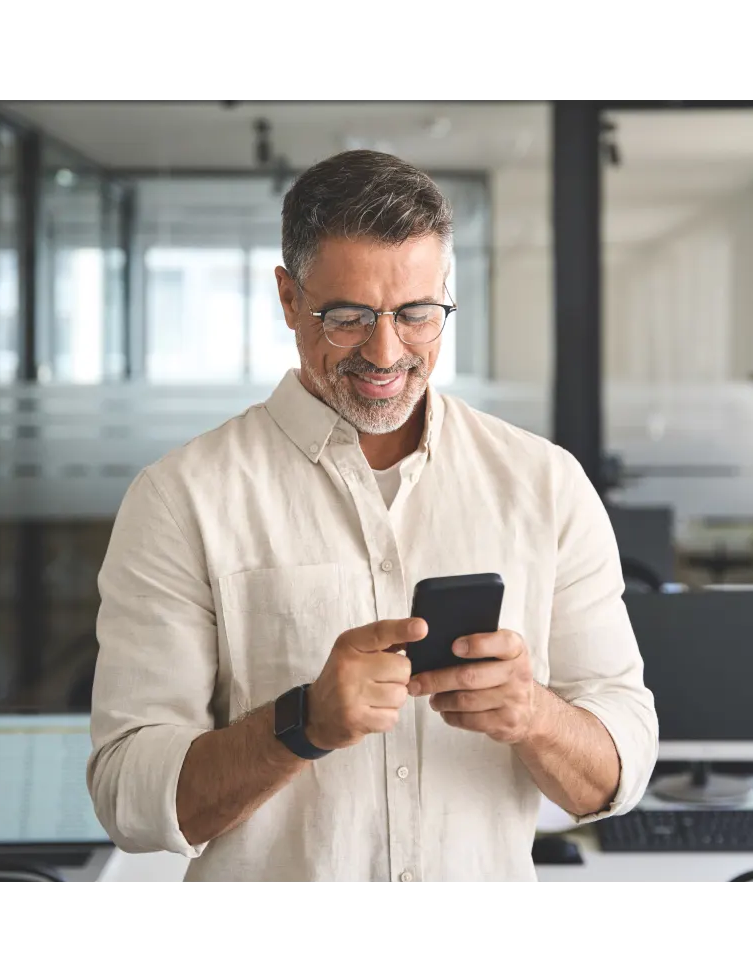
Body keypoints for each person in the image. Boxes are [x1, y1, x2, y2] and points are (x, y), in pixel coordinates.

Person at [88, 149, 658, 886]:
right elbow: (127, 798)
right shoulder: (181, 498)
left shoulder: (544, 484)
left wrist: (535, 714)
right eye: (349, 317)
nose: (387, 353)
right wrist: (301, 725)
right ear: (290, 300)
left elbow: (621, 769)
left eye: (418, 314)